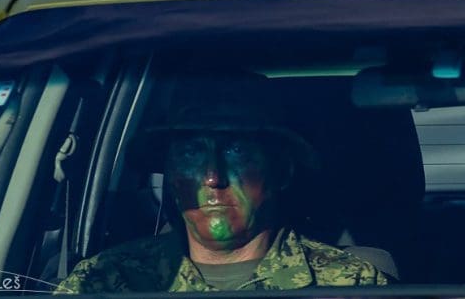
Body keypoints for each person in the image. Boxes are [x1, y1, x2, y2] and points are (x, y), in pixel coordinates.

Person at [54, 73, 390, 293]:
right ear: (170, 175)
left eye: (236, 151)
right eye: (191, 153)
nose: (213, 177)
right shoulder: (104, 281)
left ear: (281, 172)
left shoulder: (349, 284)